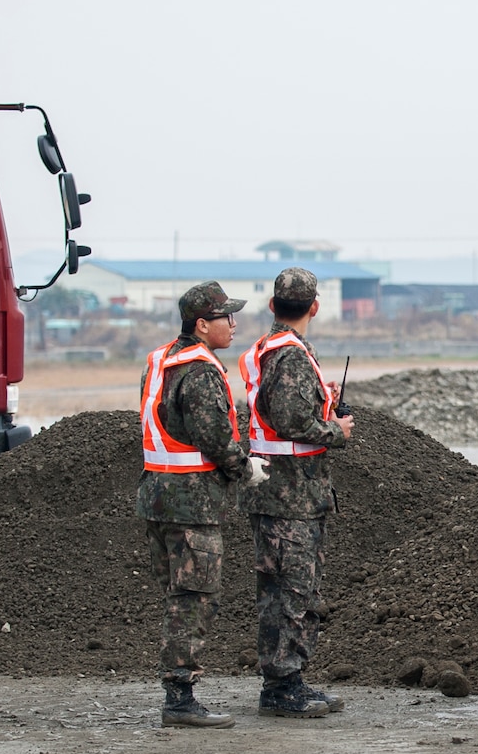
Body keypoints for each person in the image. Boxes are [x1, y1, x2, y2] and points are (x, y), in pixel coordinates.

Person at [239, 268, 353, 719]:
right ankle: (283, 686)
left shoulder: (268, 350)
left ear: (272, 306)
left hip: (281, 491)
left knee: (286, 590)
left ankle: (288, 680)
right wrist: (336, 430)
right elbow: (291, 421)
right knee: (292, 592)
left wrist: (322, 400)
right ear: (315, 306)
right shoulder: (289, 355)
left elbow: (278, 412)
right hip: (290, 496)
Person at [139, 281, 251, 729]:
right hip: (192, 504)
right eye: (227, 317)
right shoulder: (202, 371)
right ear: (203, 325)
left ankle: (177, 693)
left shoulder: (160, 360)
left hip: (157, 496)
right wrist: (244, 467)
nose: (234, 324)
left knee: (177, 597)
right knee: (194, 600)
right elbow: (215, 438)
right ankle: (179, 699)